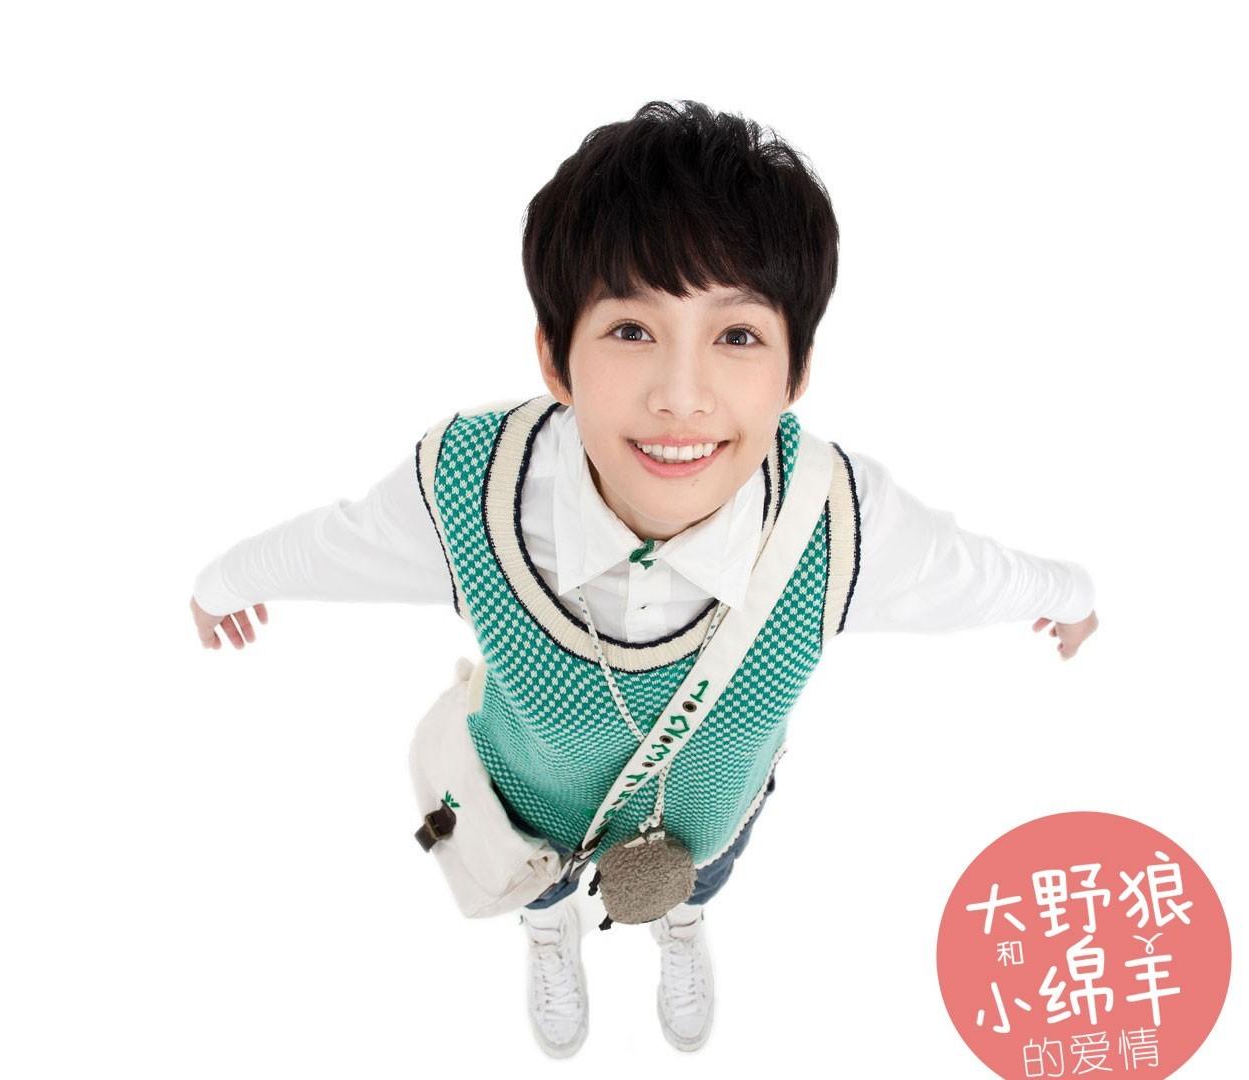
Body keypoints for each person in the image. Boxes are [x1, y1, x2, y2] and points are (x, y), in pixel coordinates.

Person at [185, 100, 1099, 1058]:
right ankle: (550, 931)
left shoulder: (843, 523)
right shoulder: (475, 489)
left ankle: (680, 920)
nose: (681, 396)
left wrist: (1070, 600)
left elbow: (979, 572)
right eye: (630, 329)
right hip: (526, 809)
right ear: (556, 358)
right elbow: (334, 543)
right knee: (538, 886)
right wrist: (219, 584)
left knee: (701, 877)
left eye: (737, 336)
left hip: (708, 815)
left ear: (796, 374)